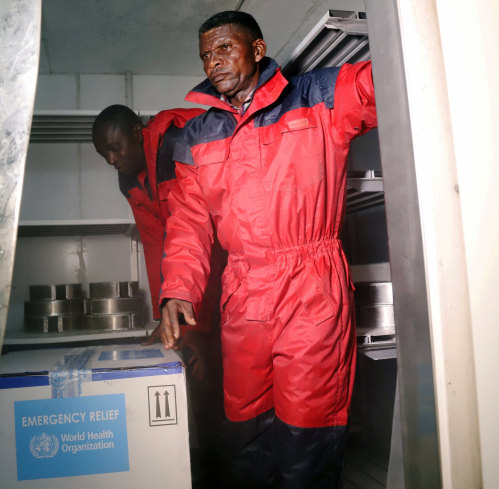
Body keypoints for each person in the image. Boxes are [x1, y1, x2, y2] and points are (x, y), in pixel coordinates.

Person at [157, 10, 377, 489]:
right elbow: (189, 222)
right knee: (243, 432)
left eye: (224, 48)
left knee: (307, 431)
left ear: (257, 50)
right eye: (205, 55)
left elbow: (392, 82)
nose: (213, 62)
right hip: (244, 295)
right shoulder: (196, 137)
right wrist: (178, 290)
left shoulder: (317, 97)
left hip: (310, 288)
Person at [91, 105, 226, 487]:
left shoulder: (174, 143)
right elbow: (156, 243)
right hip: (191, 275)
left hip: (221, 265)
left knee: (221, 379)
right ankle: (215, 470)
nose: (112, 160)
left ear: (138, 131)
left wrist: (193, 326)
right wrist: (165, 316)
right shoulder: (129, 180)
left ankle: (232, 469)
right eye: (105, 155)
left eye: (115, 148)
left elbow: (199, 233)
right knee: (198, 378)